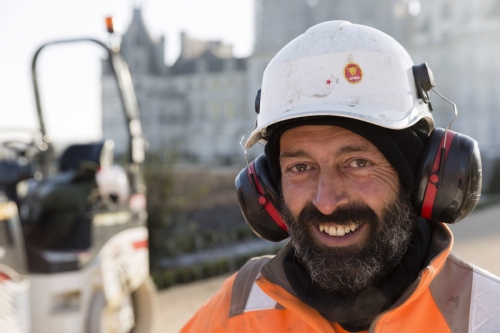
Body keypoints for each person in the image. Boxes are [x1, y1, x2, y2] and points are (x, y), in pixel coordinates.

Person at [181, 21, 500, 333]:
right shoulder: (238, 307)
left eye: (358, 163)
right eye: (300, 168)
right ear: (269, 188)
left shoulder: (486, 316)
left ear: (423, 176)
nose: (327, 201)